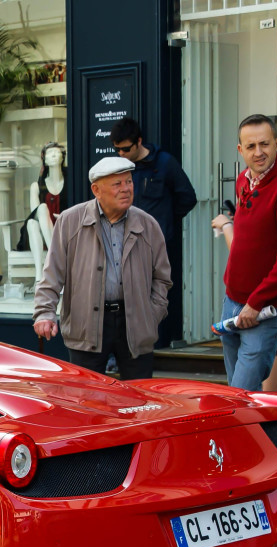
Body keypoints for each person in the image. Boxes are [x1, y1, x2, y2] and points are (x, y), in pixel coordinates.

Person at [33, 156, 172, 380]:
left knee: (139, 400)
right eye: (117, 184)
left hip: (134, 323)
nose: (126, 189)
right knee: (88, 400)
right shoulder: (70, 221)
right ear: (96, 190)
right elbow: (52, 274)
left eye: (129, 182)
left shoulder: (147, 225)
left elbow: (163, 278)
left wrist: (151, 315)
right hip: (86, 324)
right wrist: (44, 313)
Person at [209, 114, 277, 391]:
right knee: (240, 392)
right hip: (233, 299)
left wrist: (256, 302)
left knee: (241, 393)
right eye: (251, 146)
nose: (258, 152)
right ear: (240, 150)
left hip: (267, 307)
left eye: (265, 144)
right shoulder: (244, 178)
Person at [110, 117, 197, 250]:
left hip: (155, 242)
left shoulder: (164, 162)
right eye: (117, 150)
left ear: (139, 141)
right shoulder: (117, 166)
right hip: (124, 241)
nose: (121, 153)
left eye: (126, 149)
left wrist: (165, 219)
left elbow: (187, 197)